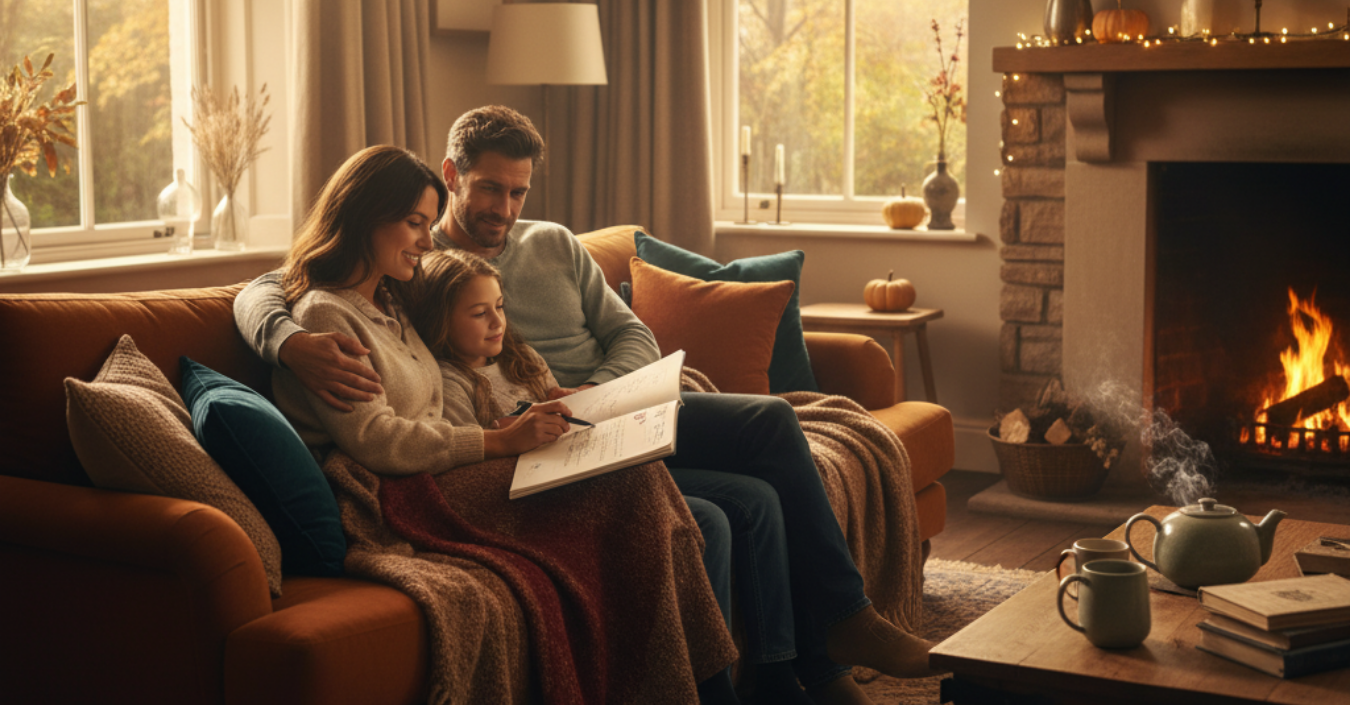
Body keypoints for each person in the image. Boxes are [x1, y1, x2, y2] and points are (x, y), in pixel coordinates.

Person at [235, 107, 937, 705]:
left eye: (517, 193)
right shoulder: (417, 271)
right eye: (487, 189)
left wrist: (603, 395)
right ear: (450, 177)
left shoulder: (549, 244)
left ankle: (822, 643)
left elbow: (630, 331)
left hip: (602, 407)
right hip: (530, 432)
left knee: (770, 431)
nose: (503, 210)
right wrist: (285, 336)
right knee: (750, 479)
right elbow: (281, 281)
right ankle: (809, 654)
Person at [267, 143, 736, 701]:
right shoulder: (326, 314)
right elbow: (378, 440)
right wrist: (498, 440)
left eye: (427, 223)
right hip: (394, 494)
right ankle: (687, 687)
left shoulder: (391, 299)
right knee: (630, 486)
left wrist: (529, 411)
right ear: (367, 218)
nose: (426, 239)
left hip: (442, 473)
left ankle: (692, 684)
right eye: (415, 224)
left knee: (639, 479)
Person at [404, 247, 818, 705]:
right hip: (547, 493)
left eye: (500, 307)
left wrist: (572, 402)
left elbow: (554, 402)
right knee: (711, 521)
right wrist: (508, 431)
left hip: (588, 464)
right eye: (480, 314)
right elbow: (471, 453)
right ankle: (708, 687)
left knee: (754, 499)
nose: (497, 322)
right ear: (440, 322)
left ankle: (770, 674)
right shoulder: (451, 380)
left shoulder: (519, 356)